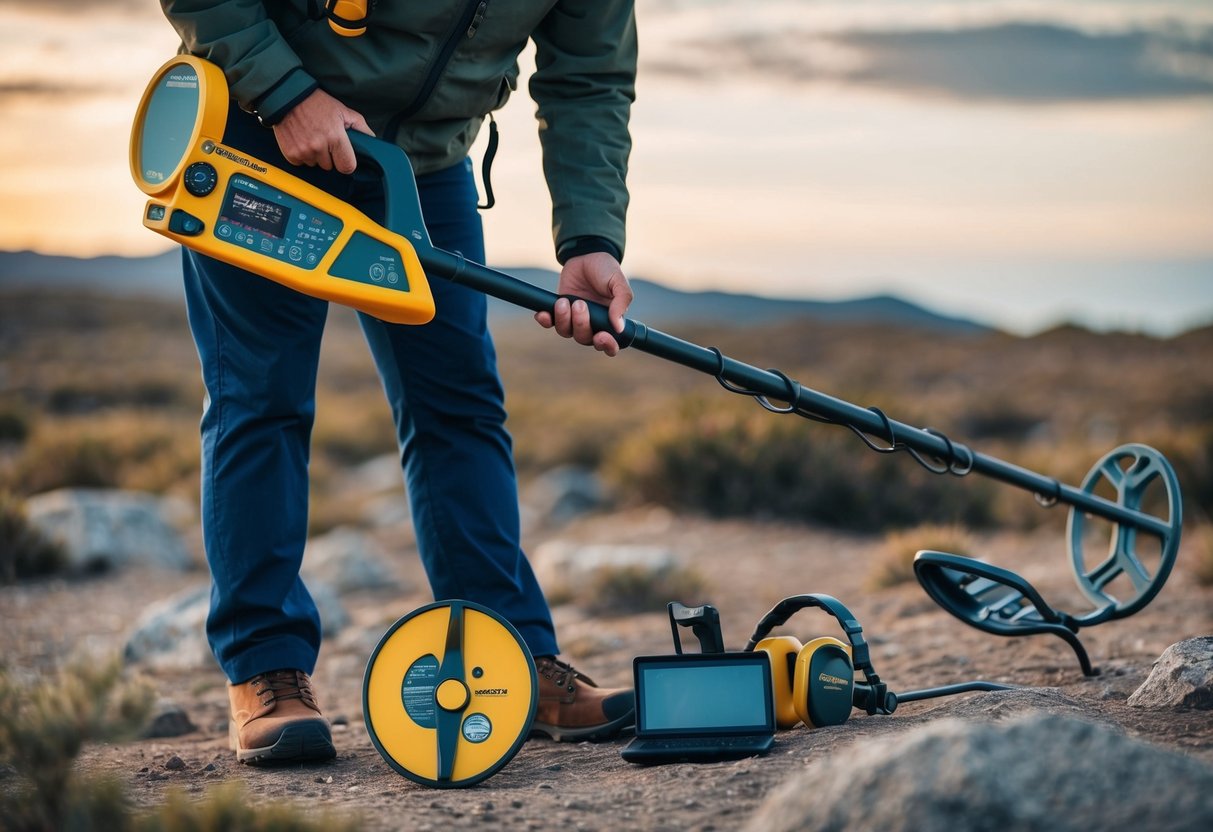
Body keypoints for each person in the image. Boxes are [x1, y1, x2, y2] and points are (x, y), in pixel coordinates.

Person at [159, 0, 638, 765]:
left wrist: (589, 235)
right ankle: (265, 670)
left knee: (460, 408)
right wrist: (284, 94)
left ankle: (508, 659)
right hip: (262, 132)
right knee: (262, 400)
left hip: (416, 169)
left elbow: (589, 77)